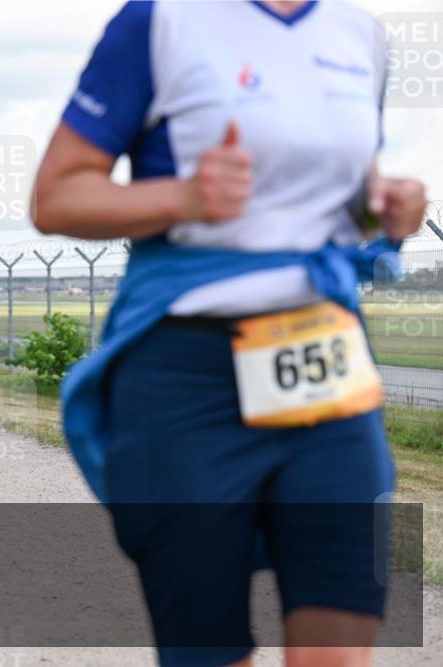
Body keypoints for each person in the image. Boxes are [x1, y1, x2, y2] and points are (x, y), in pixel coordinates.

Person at [32, 2, 427, 666]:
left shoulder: (362, 35)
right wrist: (184, 199)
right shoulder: (157, 22)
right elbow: (56, 197)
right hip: (186, 375)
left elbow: (335, 204)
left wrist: (386, 206)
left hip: (323, 362)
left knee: (339, 648)